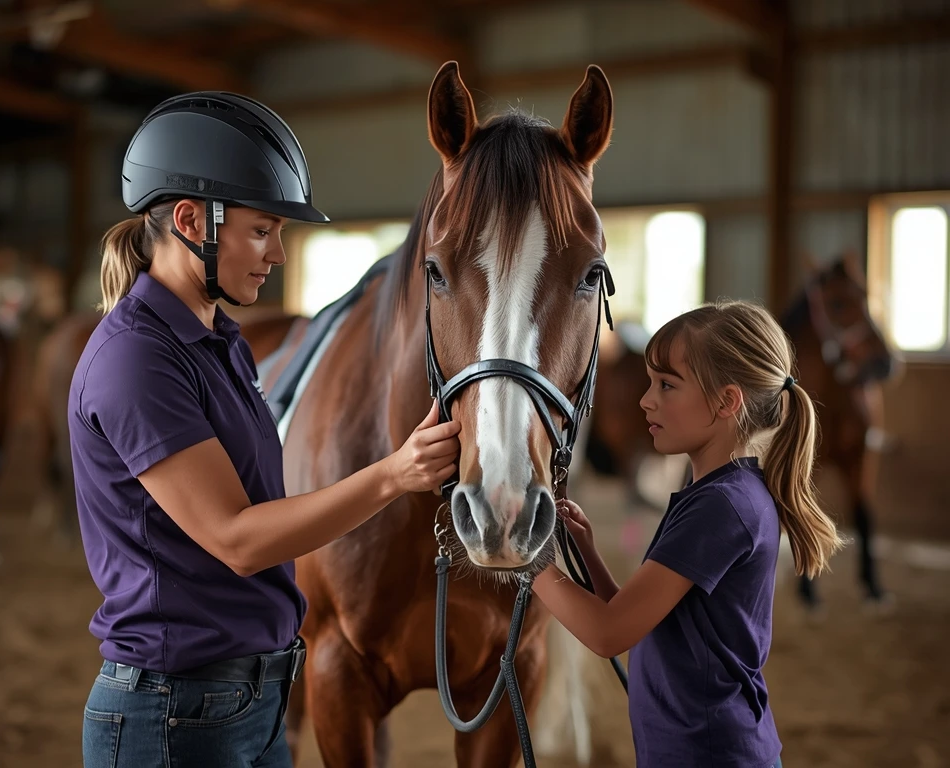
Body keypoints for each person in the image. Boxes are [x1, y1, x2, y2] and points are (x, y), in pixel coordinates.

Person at [69, 92, 461, 768]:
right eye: (261, 230)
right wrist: (395, 474)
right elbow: (238, 539)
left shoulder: (220, 341)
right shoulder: (137, 359)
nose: (278, 253)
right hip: (174, 711)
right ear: (191, 220)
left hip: (252, 700)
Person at [533, 300, 844, 768]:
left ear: (726, 401)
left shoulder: (721, 507)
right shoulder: (714, 493)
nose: (645, 399)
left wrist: (522, 556)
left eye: (667, 385)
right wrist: (588, 554)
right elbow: (643, 620)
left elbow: (607, 633)